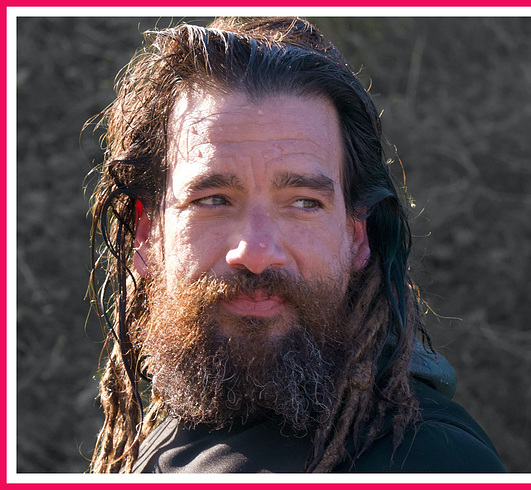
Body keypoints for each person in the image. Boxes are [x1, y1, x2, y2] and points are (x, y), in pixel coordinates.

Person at [87, 17, 506, 474]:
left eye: (304, 202)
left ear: (355, 233)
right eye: (212, 200)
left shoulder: (423, 461)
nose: (257, 250)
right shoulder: (169, 433)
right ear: (149, 234)